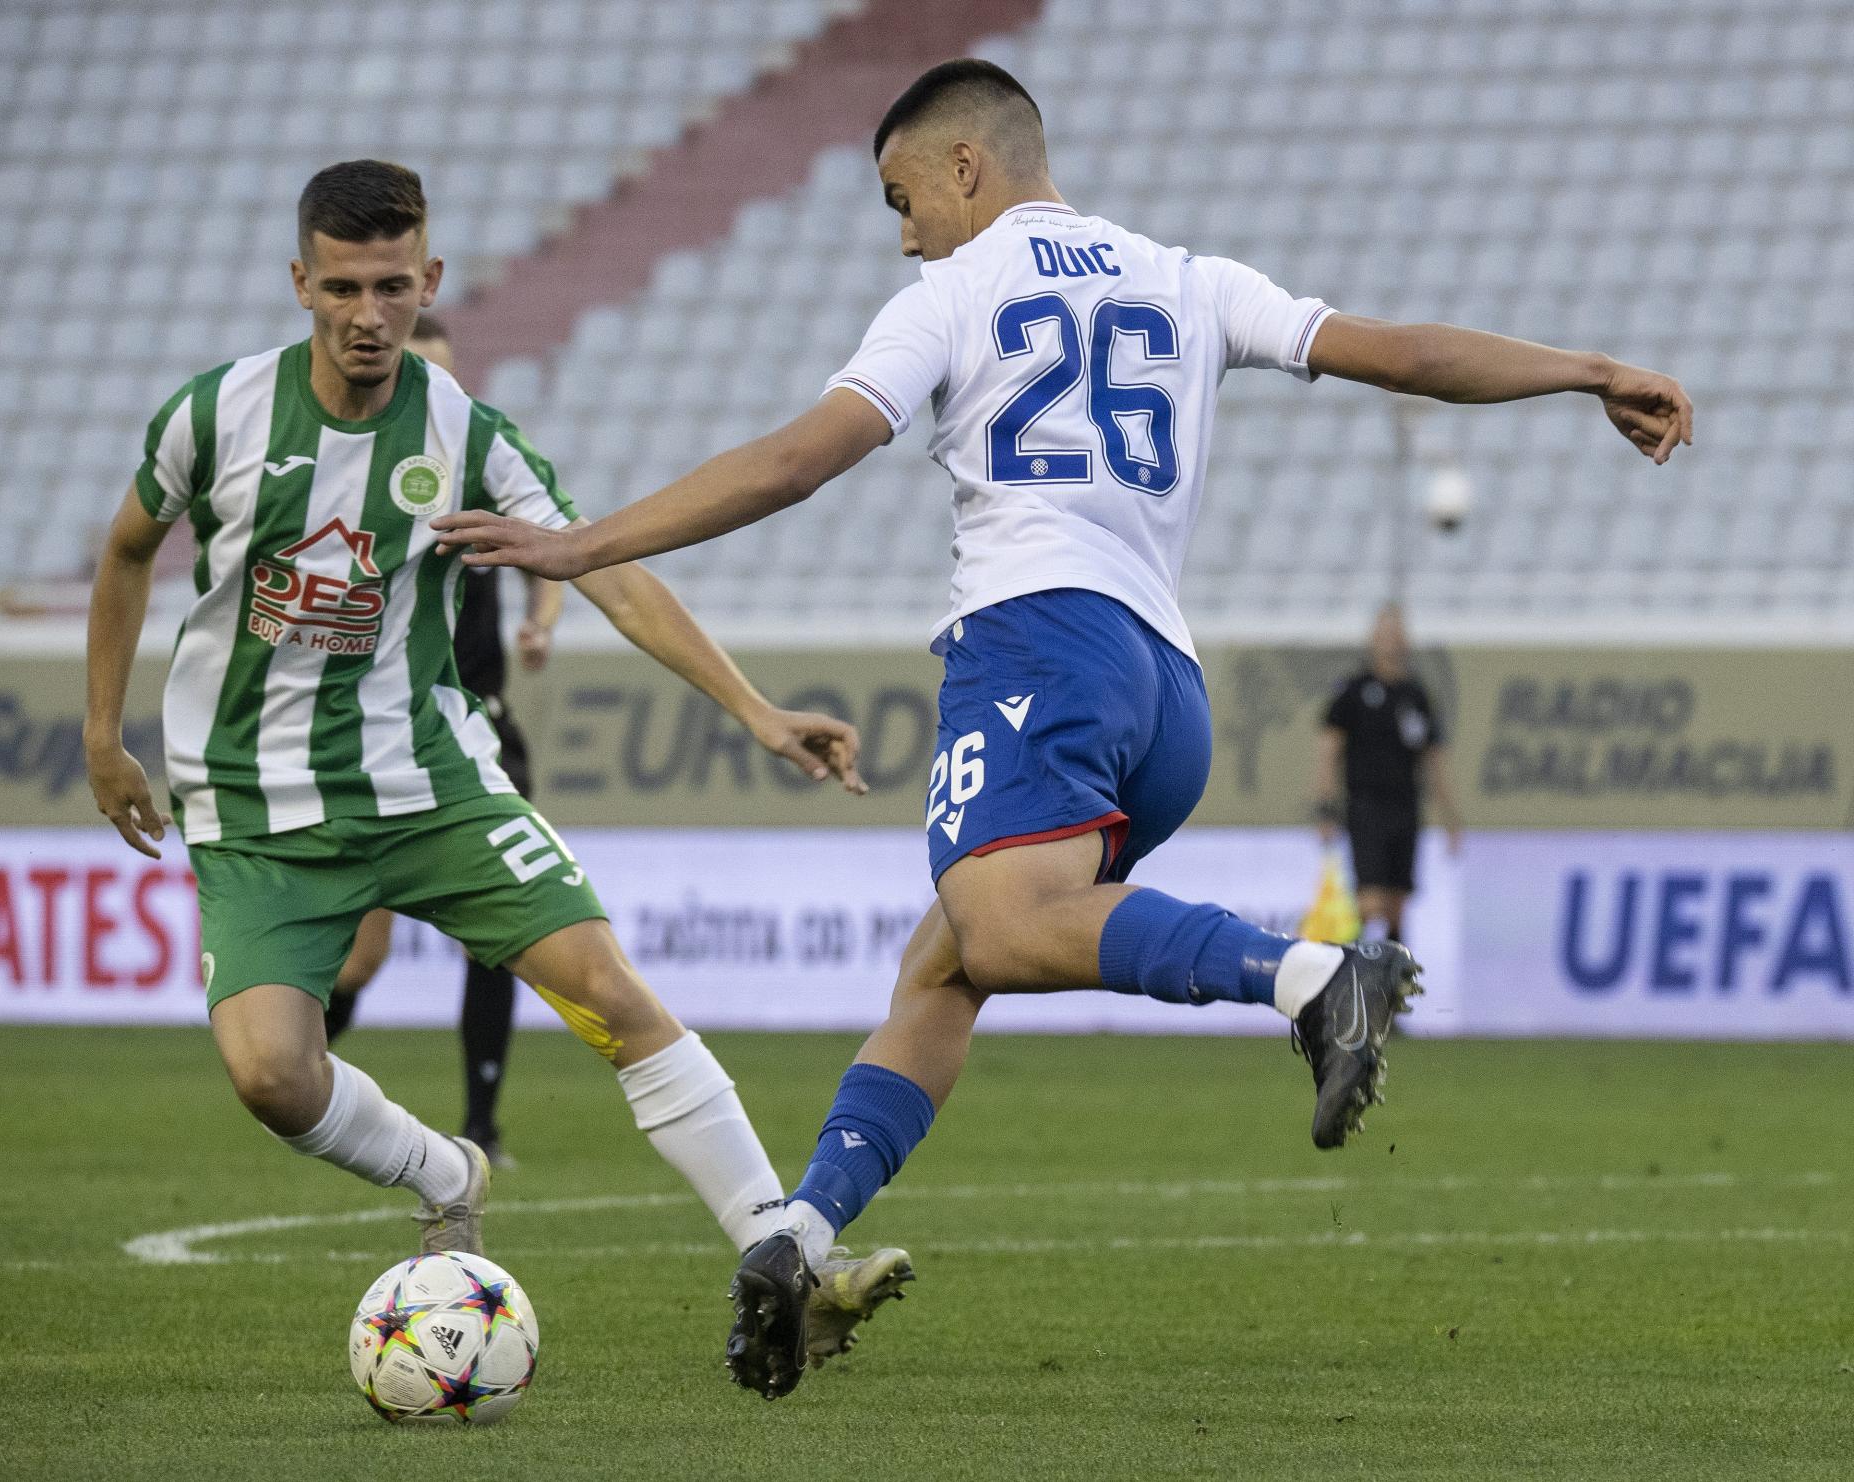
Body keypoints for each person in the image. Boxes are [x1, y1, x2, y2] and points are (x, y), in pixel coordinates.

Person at [434, 60, 1692, 1400]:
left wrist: (582, 543)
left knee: (1000, 925)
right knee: (945, 969)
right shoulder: (1190, 278)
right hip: (1165, 690)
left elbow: (806, 454)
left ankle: (1315, 979)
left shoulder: (956, 292)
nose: (903, 229)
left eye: (902, 196)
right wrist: (1588, 369)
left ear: (967, 166)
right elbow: (1403, 353)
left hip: (1038, 646)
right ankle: (797, 1235)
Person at [83, 159, 913, 1366]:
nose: (371, 317)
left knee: (611, 994)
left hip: (431, 781)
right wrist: (102, 738)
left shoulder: (465, 431)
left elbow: (602, 564)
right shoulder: (215, 417)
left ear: (431, 279)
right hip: (255, 804)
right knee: (270, 1075)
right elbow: (123, 552)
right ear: (302, 283)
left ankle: (792, 1250)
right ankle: (445, 1169)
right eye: (346, 289)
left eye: (394, 289)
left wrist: (755, 708)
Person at [321, 313, 563, 1170]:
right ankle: (294, 1074)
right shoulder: (347, 479)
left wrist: (540, 621)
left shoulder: (474, 460)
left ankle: (482, 1124)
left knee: (500, 936)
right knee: (360, 956)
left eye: (444, 373)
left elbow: (554, 552)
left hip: (479, 723)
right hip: (382, 733)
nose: (429, 390)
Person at [1315, 604, 1463, 946]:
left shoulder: (1416, 696)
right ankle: (1353, 972)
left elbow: (1433, 760)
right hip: (1366, 806)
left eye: (1397, 634)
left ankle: (1392, 984)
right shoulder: (1352, 692)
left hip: (1405, 807)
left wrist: (1450, 816)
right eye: (1385, 634)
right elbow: (1328, 752)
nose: (1391, 642)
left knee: (1398, 903)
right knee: (1370, 901)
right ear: (1372, 640)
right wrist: (1325, 807)